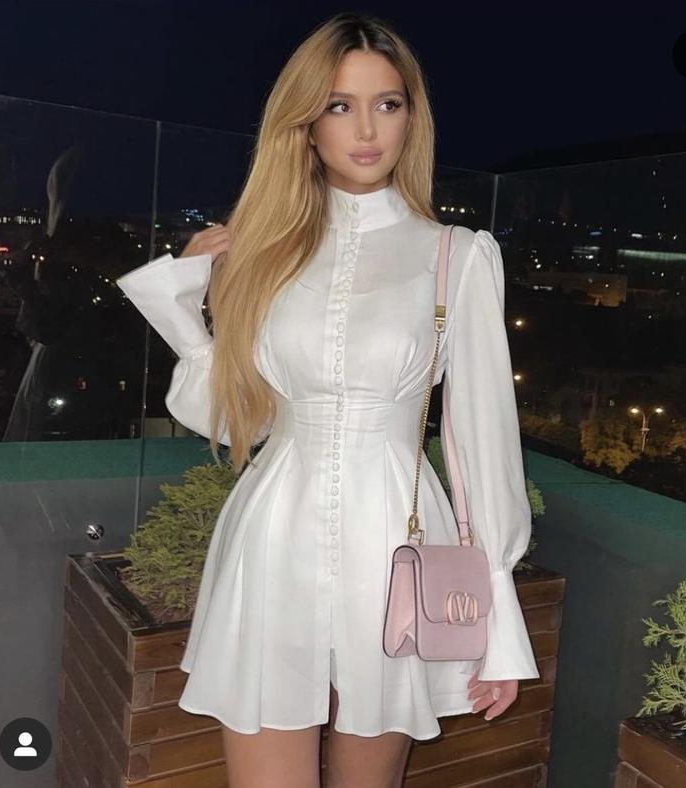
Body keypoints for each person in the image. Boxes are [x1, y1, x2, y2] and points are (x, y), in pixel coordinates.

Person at [116, 11, 539, 788]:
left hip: (398, 544)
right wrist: (185, 302)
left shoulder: (459, 256)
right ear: (306, 125)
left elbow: (483, 442)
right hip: (274, 536)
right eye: (340, 106)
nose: (367, 129)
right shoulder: (263, 252)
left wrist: (499, 626)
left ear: (412, 117)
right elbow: (232, 416)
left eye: (388, 103)